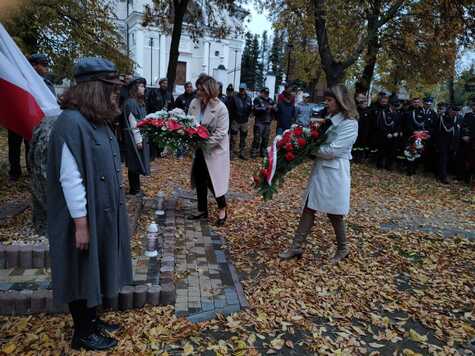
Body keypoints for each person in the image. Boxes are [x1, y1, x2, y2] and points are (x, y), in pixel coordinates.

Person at [47, 57, 132, 351]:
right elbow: (69, 179)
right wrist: (81, 223)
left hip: (101, 212)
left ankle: (93, 320)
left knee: (93, 267)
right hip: (82, 216)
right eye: (110, 88)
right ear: (94, 89)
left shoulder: (95, 120)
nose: (114, 94)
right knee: (80, 270)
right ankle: (82, 332)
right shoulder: (70, 123)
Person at [279, 84, 358, 263]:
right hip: (322, 171)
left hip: (335, 174)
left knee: (335, 213)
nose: (327, 103)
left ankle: (343, 248)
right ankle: (296, 247)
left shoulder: (350, 124)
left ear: (340, 102)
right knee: (309, 207)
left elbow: (333, 151)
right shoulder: (330, 119)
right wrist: (298, 134)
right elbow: (318, 137)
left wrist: (306, 147)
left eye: (330, 100)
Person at [187, 75, 230, 226]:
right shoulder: (194, 103)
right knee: (199, 178)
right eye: (197, 88)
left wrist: (204, 143)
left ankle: (222, 208)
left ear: (209, 90)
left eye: (201, 89)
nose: (198, 92)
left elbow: (221, 132)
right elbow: (188, 123)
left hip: (214, 149)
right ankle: (202, 209)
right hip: (199, 148)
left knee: (213, 181)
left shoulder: (220, 108)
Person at [8, 53, 55, 182]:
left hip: (35, 119)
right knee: (14, 146)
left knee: (32, 146)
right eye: (43, 65)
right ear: (33, 66)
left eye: (46, 65)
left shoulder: (47, 80)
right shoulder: (19, 79)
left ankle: (31, 171)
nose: (46, 69)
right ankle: (14, 173)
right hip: (17, 116)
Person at [122, 77, 151, 194]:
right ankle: (134, 189)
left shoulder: (139, 102)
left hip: (139, 136)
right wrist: (138, 140)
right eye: (141, 86)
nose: (144, 88)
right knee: (134, 162)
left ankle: (136, 187)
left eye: (144, 86)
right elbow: (133, 122)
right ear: (134, 88)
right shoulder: (131, 103)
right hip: (134, 138)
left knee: (136, 162)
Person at [375, 96, 402, 170]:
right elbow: (380, 124)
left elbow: (399, 124)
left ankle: (389, 166)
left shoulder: (398, 113)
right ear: (390, 105)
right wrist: (386, 133)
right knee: (382, 151)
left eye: (397, 105)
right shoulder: (383, 112)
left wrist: (397, 132)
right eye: (394, 105)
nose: (395, 107)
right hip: (384, 136)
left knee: (392, 152)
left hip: (394, 136)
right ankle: (380, 165)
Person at [433, 105, 459, 184]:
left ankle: (443, 173)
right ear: (450, 110)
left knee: (449, 159)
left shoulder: (458, 118)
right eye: (454, 111)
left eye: (457, 111)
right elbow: (440, 129)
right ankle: (443, 176)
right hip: (443, 141)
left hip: (453, 141)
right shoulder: (443, 117)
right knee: (443, 158)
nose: (456, 113)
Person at [228, 83, 252, 160]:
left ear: (245, 89)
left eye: (243, 89)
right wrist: (232, 119)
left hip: (244, 121)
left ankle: (242, 152)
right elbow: (230, 109)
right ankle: (231, 152)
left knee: (243, 137)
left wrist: (247, 118)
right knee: (233, 138)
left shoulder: (249, 98)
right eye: (240, 89)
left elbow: (250, 109)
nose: (241, 91)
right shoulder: (234, 98)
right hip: (236, 120)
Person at [404, 97, 428, 175]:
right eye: (414, 102)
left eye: (418, 102)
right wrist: (413, 132)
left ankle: (414, 169)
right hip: (411, 135)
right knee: (410, 152)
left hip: (420, 136)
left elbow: (424, 124)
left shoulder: (423, 112)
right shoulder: (408, 112)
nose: (416, 103)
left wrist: (421, 132)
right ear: (412, 103)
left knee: (418, 152)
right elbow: (407, 124)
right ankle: (409, 170)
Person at [251, 87, 275, 158]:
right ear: (261, 93)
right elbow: (255, 109)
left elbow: (276, 107)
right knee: (257, 138)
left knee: (265, 138)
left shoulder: (270, 100)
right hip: (259, 122)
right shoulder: (257, 99)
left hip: (267, 122)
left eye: (267, 93)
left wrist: (274, 108)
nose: (266, 94)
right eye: (264, 93)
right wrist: (265, 108)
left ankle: (263, 151)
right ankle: (254, 151)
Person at [457, 98, 475, 184]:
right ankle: (464, 177)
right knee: (467, 160)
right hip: (468, 142)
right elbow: (463, 127)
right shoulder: (468, 115)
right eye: (473, 105)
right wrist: (464, 136)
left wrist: (470, 137)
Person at [352, 93, 371, 163]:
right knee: (355, 145)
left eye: (365, 101)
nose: (363, 103)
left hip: (364, 132)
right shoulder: (355, 110)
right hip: (355, 130)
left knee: (361, 146)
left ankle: (359, 158)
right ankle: (353, 157)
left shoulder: (368, 111)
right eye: (362, 101)